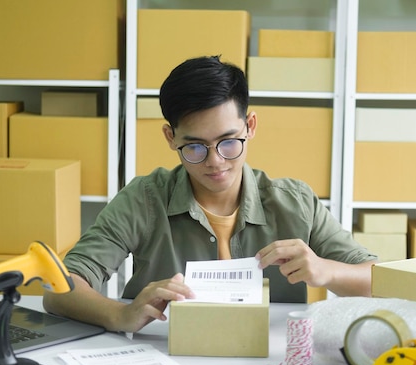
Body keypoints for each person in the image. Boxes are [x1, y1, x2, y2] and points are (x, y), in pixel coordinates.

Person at [43, 56, 377, 333]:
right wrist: (119, 315)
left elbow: (379, 279)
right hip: (165, 360)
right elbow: (60, 288)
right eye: (195, 146)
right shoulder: (144, 199)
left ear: (251, 126)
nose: (215, 162)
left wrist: (326, 270)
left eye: (229, 141)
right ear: (170, 137)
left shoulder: (295, 202)